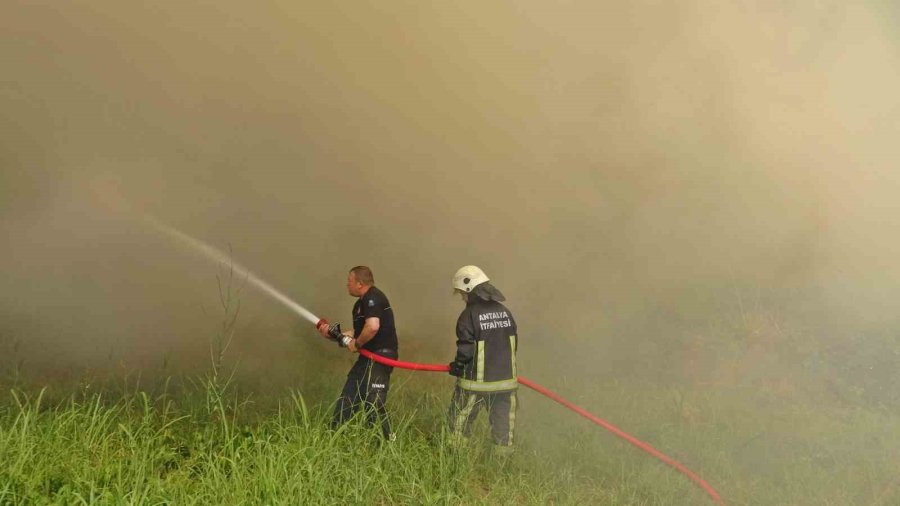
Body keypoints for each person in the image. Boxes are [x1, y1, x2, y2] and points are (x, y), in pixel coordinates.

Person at [317, 266, 398, 439]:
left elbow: (373, 327)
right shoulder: (360, 304)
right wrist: (331, 335)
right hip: (367, 357)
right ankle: (334, 437)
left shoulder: (373, 298)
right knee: (349, 395)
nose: (347, 285)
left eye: (350, 282)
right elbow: (357, 333)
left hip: (380, 357)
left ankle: (386, 442)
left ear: (360, 284)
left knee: (374, 402)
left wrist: (357, 344)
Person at [446, 265, 518, 449]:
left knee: (459, 423)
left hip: (475, 384)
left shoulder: (468, 315)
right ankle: (502, 468)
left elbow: (466, 349)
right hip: (506, 383)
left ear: (470, 290)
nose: (462, 297)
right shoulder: (505, 312)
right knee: (504, 429)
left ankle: (454, 460)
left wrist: (458, 365)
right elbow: (513, 344)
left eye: (462, 293)